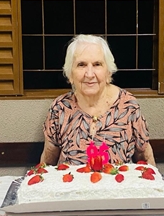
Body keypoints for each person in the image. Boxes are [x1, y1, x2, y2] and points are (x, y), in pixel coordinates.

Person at [40, 34, 156, 166]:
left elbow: (144, 157)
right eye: (81, 65)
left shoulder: (128, 106)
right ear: (70, 74)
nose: (89, 74)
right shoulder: (60, 108)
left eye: (97, 64)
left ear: (108, 73)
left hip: (118, 185)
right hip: (71, 185)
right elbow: (48, 162)